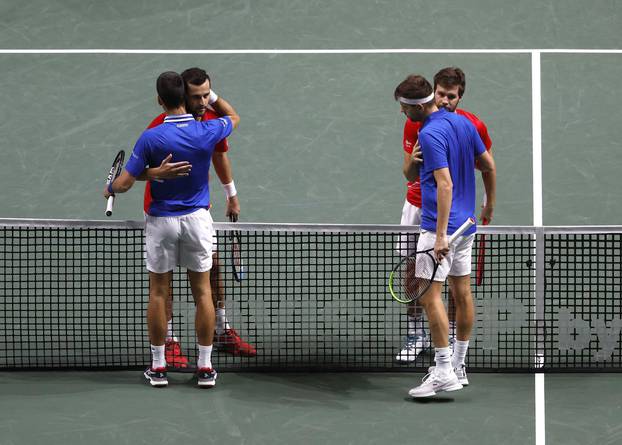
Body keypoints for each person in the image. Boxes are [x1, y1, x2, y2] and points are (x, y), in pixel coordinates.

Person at [104, 71, 240, 387]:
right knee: (203, 292)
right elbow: (233, 116)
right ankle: (205, 368)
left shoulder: (150, 137)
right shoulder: (208, 128)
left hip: (161, 223)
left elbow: (123, 183)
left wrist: (116, 184)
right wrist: (214, 98)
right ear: (185, 99)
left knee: (158, 292)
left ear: (159, 100)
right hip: (197, 221)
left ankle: (159, 367)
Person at [140, 68, 256, 367]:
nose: (204, 101)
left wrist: (231, 194)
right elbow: (136, 171)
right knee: (165, 283)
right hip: (162, 213)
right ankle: (170, 341)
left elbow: (220, 155)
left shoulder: (208, 122)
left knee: (213, 268)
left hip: (196, 213)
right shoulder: (159, 126)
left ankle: (221, 329)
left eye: (208, 94)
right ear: (181, 97)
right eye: (197, 96)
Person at [393, 74, 496, 397]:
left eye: (404, 108)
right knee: (462, 293)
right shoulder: (463, 124)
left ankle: (442, 370)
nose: (402, 114)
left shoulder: (432, 132)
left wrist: (439, 235)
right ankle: (459, 365)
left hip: (441, 227)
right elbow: (488, 165)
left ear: (418, 106)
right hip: (466, 225)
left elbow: (445, 184)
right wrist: (487, 206)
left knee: (428, 296)